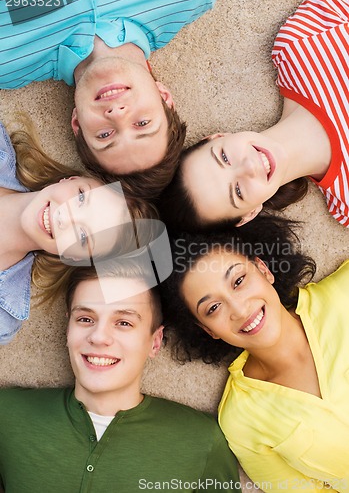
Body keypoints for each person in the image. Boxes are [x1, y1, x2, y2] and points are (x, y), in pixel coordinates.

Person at [0, 261, 241, 493]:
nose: (98, 336)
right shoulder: (7, 415)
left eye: (123, 322)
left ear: (154, 342)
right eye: (85, 319)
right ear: (68, 329)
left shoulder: (202, 441)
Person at [161, 215, 349, 491]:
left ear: (263, 270)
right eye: (213, 308)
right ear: (208, 329)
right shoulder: (242, 419)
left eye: (238, 281)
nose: (238, 309)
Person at [160, 0, 349, 231]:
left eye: (225, 158)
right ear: (249, 214)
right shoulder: (345, 206)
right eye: (237, 191)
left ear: (217, 137)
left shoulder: (297, 47)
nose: (249, 167)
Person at [0, 0, 221, 197]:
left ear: (77, 124)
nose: (116, 114)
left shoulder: (6, 59)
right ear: (164, 97)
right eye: (142, 123)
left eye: (105, 135)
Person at [0, 119, 154, 345]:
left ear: (73, 257)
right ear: (71, 180)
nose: (66, 217)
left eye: (83, 237)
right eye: (82, 198)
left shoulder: (4, 319)